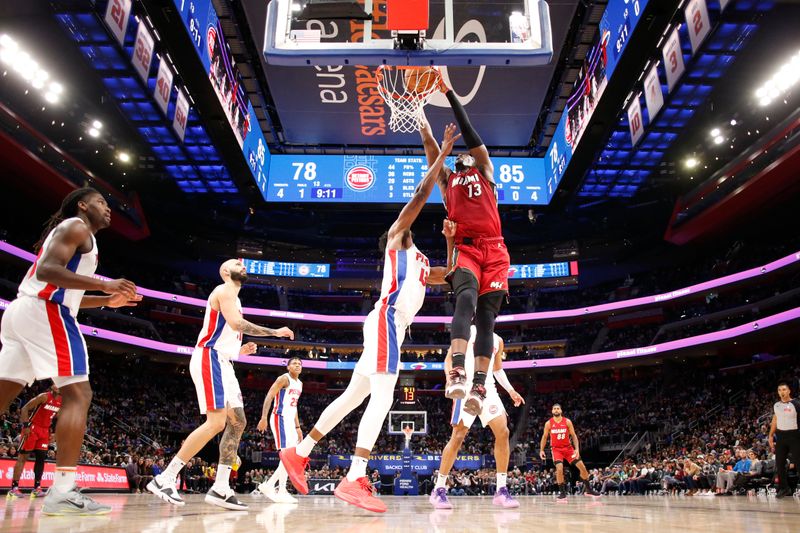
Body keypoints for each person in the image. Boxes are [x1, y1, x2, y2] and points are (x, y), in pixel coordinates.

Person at [280, 124, 461, 513]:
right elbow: (418, 195)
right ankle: (354, 476)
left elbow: (449, 276)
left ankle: (299, 452)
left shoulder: (420, 262)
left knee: (353, 396)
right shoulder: (396, 239)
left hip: (389, 328)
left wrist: (449, 239)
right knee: (383, 397)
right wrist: (442, 154)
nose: (409, 225)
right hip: (386, 321)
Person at [0, 188, 140, 515]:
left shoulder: (77, 235)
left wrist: (105, 300)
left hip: (24, 312)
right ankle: (63, 490)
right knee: (78, 394)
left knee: (2, 395)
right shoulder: (76, 227)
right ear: (82, 204)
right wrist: (104, 285)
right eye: (101, 203)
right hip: (46, 313)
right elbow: (48, 271)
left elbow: (64, 289)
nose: (108, 209)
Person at [147, 259, 294, 510]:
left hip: (224, 361)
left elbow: (227, 332)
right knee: (216, 422)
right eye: (237, 263)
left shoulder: (235, 299)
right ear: (226, 272)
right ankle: (165, 478)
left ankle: (221, 487)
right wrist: (275, 332)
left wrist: (240, 350)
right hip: (209, 357)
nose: (243, 265)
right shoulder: (224, 290)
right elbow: (237, 325)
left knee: (238, 421)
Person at [419, 83, 511, 418]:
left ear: (472, 156)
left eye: (466, 153)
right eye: (458, 155)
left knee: (487, 319)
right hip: (466, 249)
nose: (463, 155)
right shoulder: (445, 181)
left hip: (496, 251)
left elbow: (470, 130)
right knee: (466, 301)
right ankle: (457, 371)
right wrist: (419, 113)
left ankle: (480, 385)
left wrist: (449, 95)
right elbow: (431, 148)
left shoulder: (485, 172)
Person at [429, 328, 525, 509]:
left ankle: (501, 489)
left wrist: (511, 390)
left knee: (503, 432)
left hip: (488, 389)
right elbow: (449, 359)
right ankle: (439, 489)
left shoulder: (498, 340)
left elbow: (497, 369)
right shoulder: (465, 330)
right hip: (465, 387)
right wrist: (450, 379)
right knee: (457, 437)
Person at [256, 356, 304, 503]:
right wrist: (264, 417)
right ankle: (279, 489)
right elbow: (270, 395)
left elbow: (294, 406)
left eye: (299, 364)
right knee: (286, 456)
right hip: (279, 418)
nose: (297, 365)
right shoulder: (284, 379)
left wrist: (298, 427)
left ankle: (272, 485)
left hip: (290, 421)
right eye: (294, 363)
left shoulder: (300, 383)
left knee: (291, 456)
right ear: (288, 367)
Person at [6, 385, 61, 499]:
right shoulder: (44, 397)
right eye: (56, 384)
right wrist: (25, 425)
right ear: (52, 386)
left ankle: (36, 488)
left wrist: (55, 433)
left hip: (45, 431)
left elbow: (58, 417)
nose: (59, 387)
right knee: (23, 457)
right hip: (32, 429)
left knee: (41, 459)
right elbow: (24, 408)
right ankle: (14, 488)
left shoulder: (61, 401)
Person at [539, 404, 600, 501]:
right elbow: (544, 437)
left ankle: (588, 489)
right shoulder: (548, 423)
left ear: (561, 410)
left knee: (582, 468)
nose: (556, 410)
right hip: (556, 449)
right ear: (552, 411)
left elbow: (574, 436)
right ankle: (562, 493)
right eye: (554, 409)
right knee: (559, 468)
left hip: (568, 449)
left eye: (558, 408)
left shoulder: (567, 421)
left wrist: (577, 449)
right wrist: (541, 450)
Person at [768, 380, 800, 498]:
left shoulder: (796, 403)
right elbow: (775, 420)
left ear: (789, 391)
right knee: (779, 464)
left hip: (794, 435)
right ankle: (784, 488)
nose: (782, 392)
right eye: (780, 390)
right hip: (780, 436)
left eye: (784, 389)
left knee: (798, 463)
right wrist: (771, 435)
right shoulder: (776, 405)